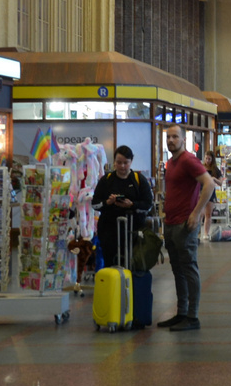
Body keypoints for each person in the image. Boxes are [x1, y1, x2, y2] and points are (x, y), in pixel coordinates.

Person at [160, 124, 216, 331]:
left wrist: (196, 212)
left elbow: (209, 184)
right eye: (168, 137)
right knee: (178, 270)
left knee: (189, 269)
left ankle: (192, 316)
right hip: (171, 223)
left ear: (183, 140)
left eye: (175, 137)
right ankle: (182, 312)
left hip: (185, 224)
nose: (171, 140)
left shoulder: (188, 160)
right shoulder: (171, 163)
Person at [91, 145, 153, 271]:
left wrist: (132, 205)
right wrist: (108, 202)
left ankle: (132, 289)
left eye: (126, 163)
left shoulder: (138, 180)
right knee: (111, 265)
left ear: (131, 161)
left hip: (133, 232)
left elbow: (148, 204)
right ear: (114, 162)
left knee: (133, 266)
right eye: (119, 162)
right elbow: (95, 204)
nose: (122, 166)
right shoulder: (106, 180)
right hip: (109, 232)